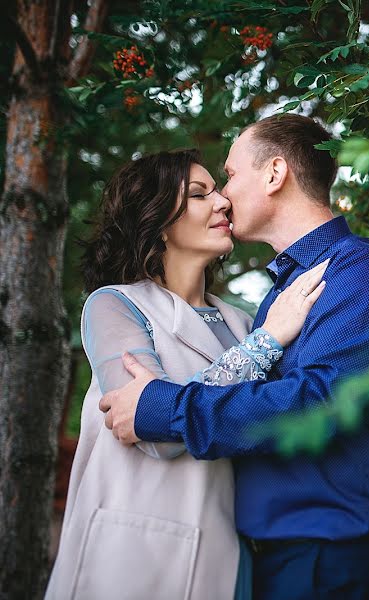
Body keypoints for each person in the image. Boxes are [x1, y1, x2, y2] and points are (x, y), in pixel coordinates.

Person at [99, 114, 369, 599]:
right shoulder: (283, 295)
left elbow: (317, 405)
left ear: (275, 174)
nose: (225, 195)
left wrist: (160, 408)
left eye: (229, 175)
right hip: (271, 555)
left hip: (328, 553)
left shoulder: (362, 273)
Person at [46, 149, 327, 600]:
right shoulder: (115, 305)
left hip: (230, 554)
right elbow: (154, 430)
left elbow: (272, 417)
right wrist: (267, 343)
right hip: (135, 556)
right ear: (157, 220)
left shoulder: (242, 321)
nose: (223, 203)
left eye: (217, 189)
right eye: (200, 194)